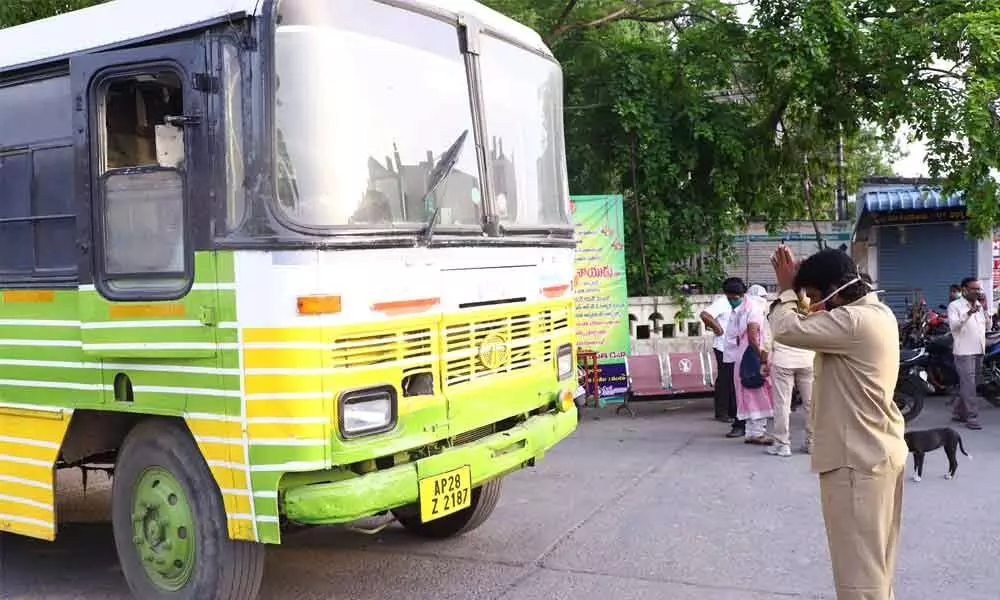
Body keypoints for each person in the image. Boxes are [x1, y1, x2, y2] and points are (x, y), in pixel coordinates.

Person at [769, 246, 907, 600]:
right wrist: (802, 292)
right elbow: (806, 323)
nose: (814, 304)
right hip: (875, 453)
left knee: (859, 577)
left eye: (815, 295)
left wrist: (787, 290)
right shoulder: (876, 313)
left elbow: (785, 329)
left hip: (856, 462)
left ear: (835, 290)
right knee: (875, 568)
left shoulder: (852, 322)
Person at [767, 292, 816, 457]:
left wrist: (765, 359)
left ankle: (782, 444)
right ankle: (812, 443)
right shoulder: (810, 305)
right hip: (808, 359)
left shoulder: (778, 308)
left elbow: (769, 335)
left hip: (783, 360)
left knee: (782, 404)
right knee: (811, 404)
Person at [700, 277, 745, 434]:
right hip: (722, 346)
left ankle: (733, 410)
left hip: (736, 346)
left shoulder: (743, 302)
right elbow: (705, 315)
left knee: (734, 379)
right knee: (725, 379)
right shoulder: (722, 302)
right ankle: (722, 411)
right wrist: (718, 329)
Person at [731, 284, 773, 444]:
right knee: (758, 391)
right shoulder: (755, 311)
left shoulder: (743, 311)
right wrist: (762, 357)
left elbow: (737, 337)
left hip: (742, 356)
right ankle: (757, 433)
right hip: (753, 356)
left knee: (748, 393)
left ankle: (751, 432)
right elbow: (753, 337)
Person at [947, 276, 987, 430]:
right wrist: (969, 312)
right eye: (974, 289)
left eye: (979, 289)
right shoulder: (955, 306)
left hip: (979, 349)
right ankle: (972, 417)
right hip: (964, 351)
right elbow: (955, 326)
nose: (978, 292)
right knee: (969, 385)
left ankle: (958, 412)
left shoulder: (979, 305)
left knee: (971, 384)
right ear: (964, 290)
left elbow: (987, 325)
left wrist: (985, 308)